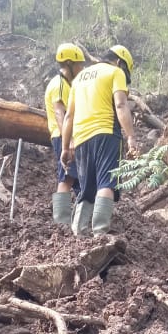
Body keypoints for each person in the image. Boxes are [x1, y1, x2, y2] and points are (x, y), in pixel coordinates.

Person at [60, 44, 138, 236]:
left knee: (86, 188)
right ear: (119, 62)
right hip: (106, 133)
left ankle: (78, 232)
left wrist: (65, 147)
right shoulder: (114, 72)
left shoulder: (79, 78)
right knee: (107, 183)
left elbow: (69, 116)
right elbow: (120, 105)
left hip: (81, 139)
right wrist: (131, 138)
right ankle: (100, 233)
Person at [44, 42, 86, 228]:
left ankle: (79, 218)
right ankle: (61, 222)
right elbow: (60, 113)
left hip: (66, 136)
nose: (81, 68)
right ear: (69, 64)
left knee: (75, 178)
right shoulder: (59, 85)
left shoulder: (67, 84)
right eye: (78, 64)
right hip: (63, 136)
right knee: (67, 177)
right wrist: (68, 143)